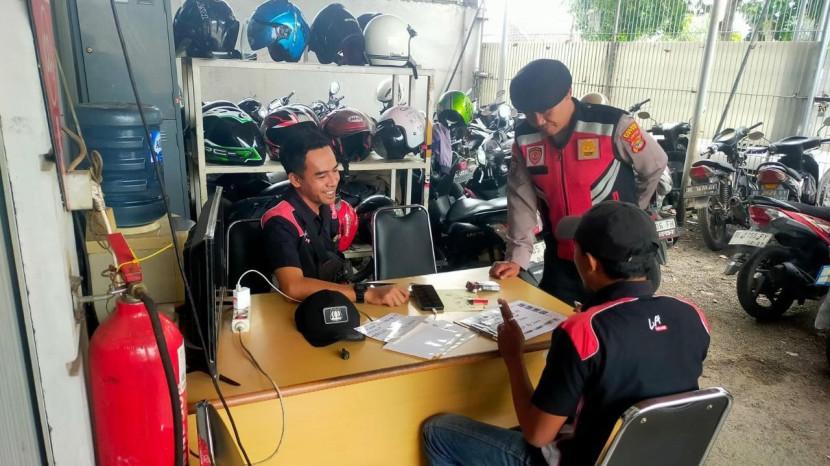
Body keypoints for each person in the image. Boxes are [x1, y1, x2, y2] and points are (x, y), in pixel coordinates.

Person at [423, 201, 711, 466]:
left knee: (437, 432)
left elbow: (537, 435)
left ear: (590, 262)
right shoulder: (692, 316)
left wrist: (513, 357)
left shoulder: (584, 333)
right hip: (652, 457)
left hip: (581, 460)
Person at [490, 59, 668, 305]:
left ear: (569, 93)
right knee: (555, 321)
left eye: (546, 111)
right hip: (562, 258)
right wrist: (517, 259)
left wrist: (632, 212)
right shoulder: (525, 137)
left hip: (617, 263)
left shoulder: (613, 124)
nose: (538, 121)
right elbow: (521, 199)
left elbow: (655, 164)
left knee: (614, 323)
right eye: (529, 113)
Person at [260, 126, 409, 306]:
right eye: (321, 176)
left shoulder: (327, 207)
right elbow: (293, 287)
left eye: (335, 170)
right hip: (292, 312)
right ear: (296, 180)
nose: (333, 181)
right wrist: (365, 293)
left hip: (329, 304)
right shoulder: (280, 222)